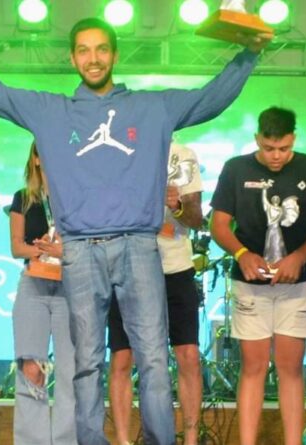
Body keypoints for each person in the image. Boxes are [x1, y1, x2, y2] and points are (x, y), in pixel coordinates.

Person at [0, 12, 270, 445]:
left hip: (139, 246)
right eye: (84, 51)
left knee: (153, 358)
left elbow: (210, 98)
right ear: (72, 58)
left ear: (115, 55)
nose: (93, 58)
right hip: (80, 250)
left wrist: (249, 54)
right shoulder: (50, 111)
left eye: (101, 49)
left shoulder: (152, 107)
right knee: (86, 361)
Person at [209, 107, 306, 445]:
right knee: (253, 367)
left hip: (298, 283)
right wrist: (241, 254)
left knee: (290, 368)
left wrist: (299, 257)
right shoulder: (235, 168)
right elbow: (219, 225)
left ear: (294, 139)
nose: (276, 156)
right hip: (249, 283)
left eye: (283, 148)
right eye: (268, 148)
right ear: (257, 139)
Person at [108, 142, 205, 445]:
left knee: (188, 355)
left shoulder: (182, 154)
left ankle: (191, 439)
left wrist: (177, 206)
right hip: (127, 265)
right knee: (122, 357)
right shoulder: (120, 150)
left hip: (176, 267)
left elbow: (197, 218)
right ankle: (123, 440)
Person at [8, 143, 76, 445]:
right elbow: (16, 247)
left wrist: (62, 251)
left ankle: (66, 440)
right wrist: (41, 250)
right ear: (35, 159)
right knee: (31, 369)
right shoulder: (23, 198)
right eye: (44, 150)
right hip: (33, 286)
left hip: (69, 287)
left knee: (70, 372)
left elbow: (85, 245)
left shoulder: (76, 196)